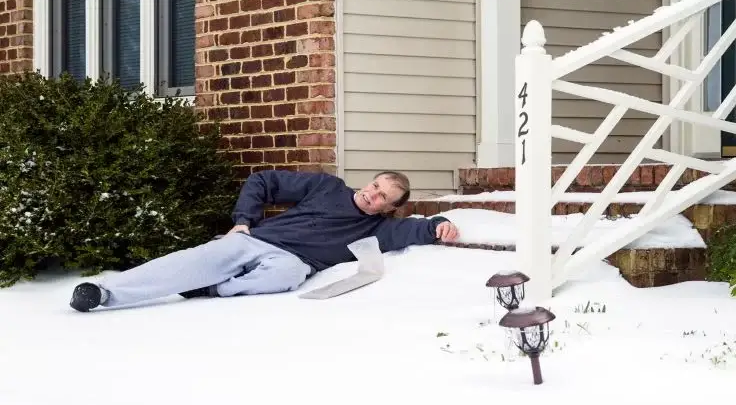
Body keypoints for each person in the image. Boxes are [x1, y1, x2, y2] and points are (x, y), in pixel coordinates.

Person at [69, 169, 460, 312]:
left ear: (386, 208)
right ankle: (105, 292)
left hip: (292, 263)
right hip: (255, 241)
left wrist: (439, 224)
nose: (371, 195)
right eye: (374, 186)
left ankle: (215, 290)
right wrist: (243, 222)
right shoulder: (326, 186)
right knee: (191, 261)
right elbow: (263, 181)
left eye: (382, 198)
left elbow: (417, 228)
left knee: (287, 274)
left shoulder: (376, 229)